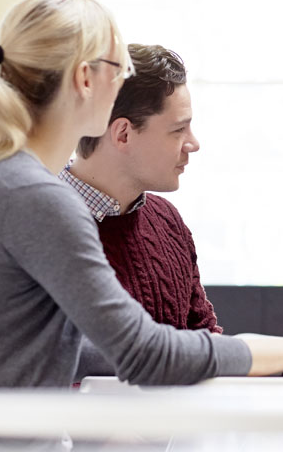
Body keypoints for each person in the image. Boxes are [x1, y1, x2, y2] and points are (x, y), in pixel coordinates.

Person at [0, 0, 283, 409]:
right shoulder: (32, 196)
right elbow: (145, 355)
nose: (124, 81)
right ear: (85, 78)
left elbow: (68, 348)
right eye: (118, 68)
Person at [60, 43, 220, 334]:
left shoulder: (167, 221)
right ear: (123, 134)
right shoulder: (42, 223)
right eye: (177, 130)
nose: (193, 144)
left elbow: (206, 342)